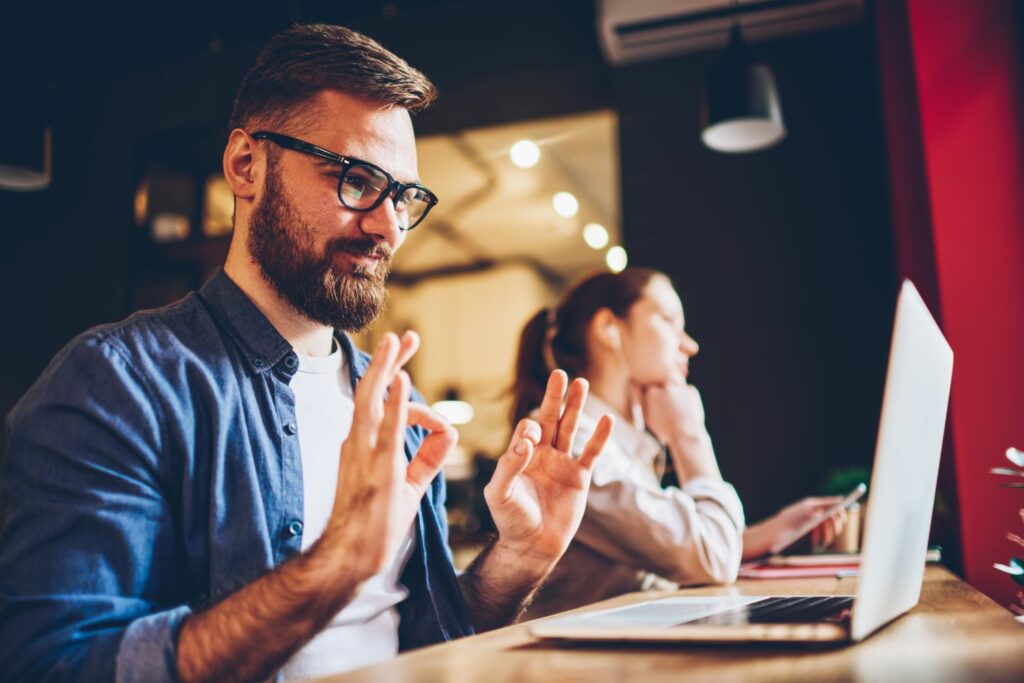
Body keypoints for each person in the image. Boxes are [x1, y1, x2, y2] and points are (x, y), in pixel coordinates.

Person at [0, 24, 616, 682]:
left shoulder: (402, 413)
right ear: (246, 166)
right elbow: (51, 665)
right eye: (354, 178)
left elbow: (426, 640)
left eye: (404, 197)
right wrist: (334, 564)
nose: (387, 225)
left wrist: (518, 559)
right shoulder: (117, 386)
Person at [511, 268, 846, 617]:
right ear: (609, 327)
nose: (689, 345)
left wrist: (766, 535)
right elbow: (713, 560)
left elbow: (673, 549)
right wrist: (689, 436)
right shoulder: (573, 443)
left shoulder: (619, 441)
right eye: (669, 320)